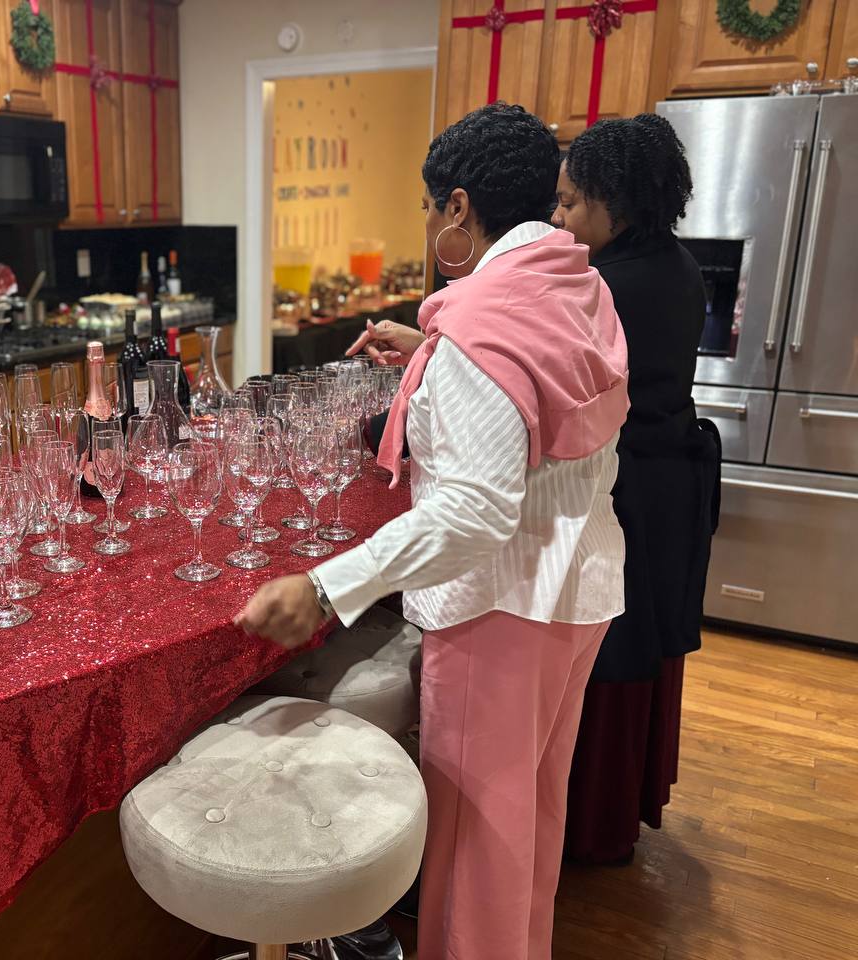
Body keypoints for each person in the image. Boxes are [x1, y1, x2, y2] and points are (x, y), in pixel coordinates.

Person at [237, 103, 630, 960]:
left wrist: (327, 587)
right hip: (579, 584)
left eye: (427, 207)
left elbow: (476, 510)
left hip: (501, 605)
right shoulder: (576, 282)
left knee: (477, 842)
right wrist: (430, 346)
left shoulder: (484, 322)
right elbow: (537, 379)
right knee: (530, 819)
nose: (426, 224)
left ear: (458, 206)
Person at [551, 115, 721, 864]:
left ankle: (588, 828)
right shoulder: (676, 264)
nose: (559, 218)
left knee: (608, 650)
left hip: (626, 491)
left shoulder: (604, 286)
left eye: (570, 203)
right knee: (639, 650)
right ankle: (616, 814)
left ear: (613, 202)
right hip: (669, 482)